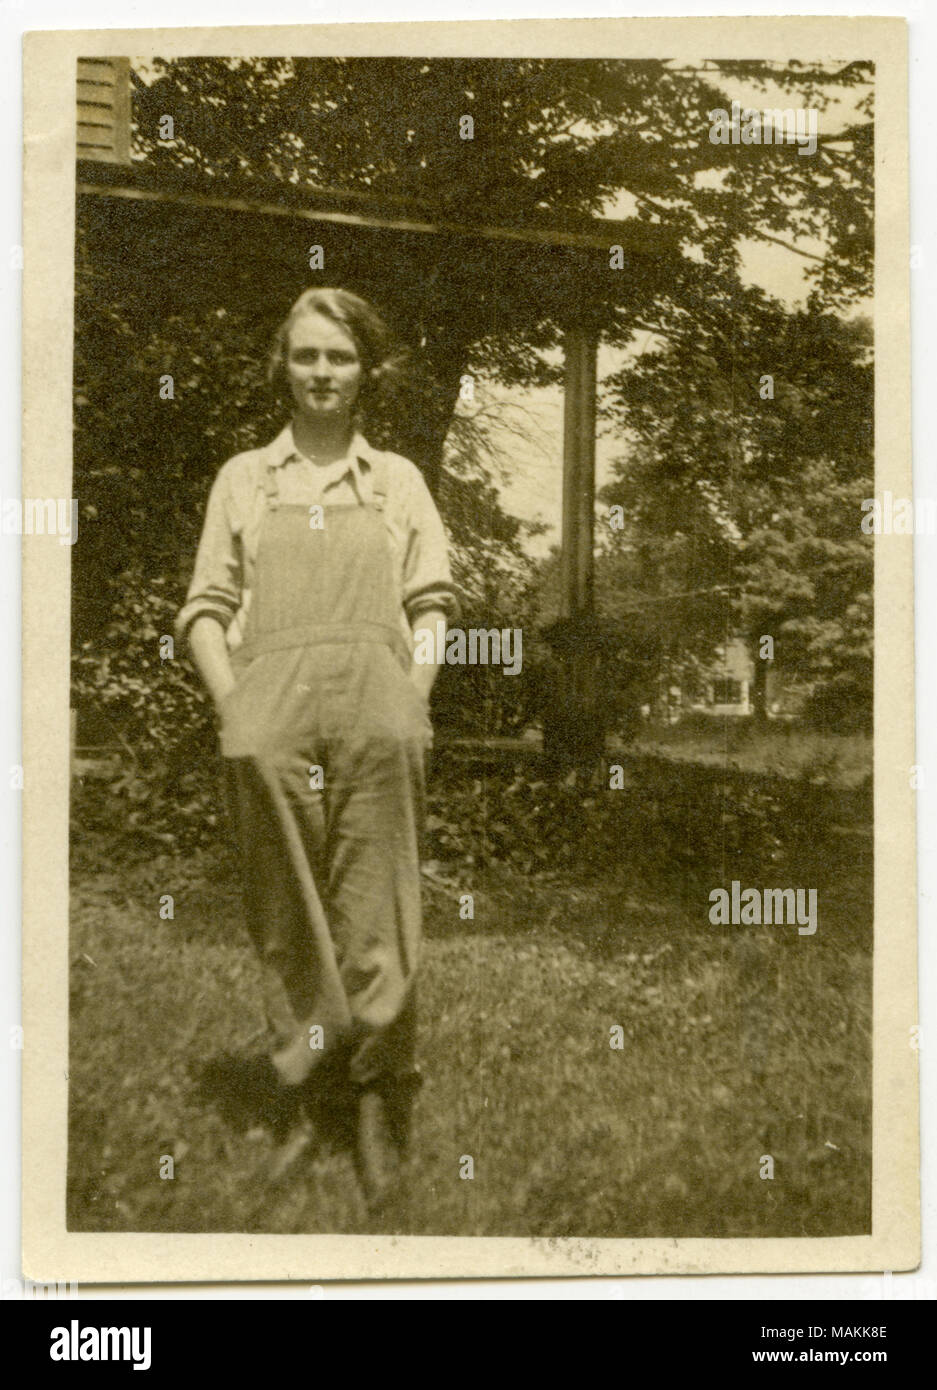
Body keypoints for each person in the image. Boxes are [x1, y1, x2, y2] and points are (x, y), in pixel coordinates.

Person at [175, 288, 459, 1205]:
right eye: (305, 356)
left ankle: (375, 1102)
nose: (322, 373)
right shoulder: (244, 479)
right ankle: (306, 1103)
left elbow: (431, 604)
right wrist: (237, 710)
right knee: (288, 912)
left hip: (378, 708)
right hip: (272, 713)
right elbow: (205, 611)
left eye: (338, 357)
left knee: (379, 903)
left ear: (365, 369)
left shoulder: (397, 481)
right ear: (282, 368)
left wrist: (411, 697)